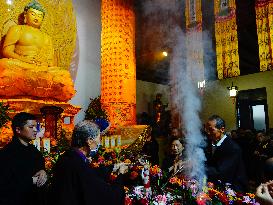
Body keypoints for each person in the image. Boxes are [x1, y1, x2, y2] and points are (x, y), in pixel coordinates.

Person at [0, 0, 75, 102]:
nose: (36, 17)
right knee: (4, 63)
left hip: (40, 69)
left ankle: (33, 83)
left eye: (40, 15)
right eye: (33, 14)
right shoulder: (17, 29)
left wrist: (45, 63)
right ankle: (39, 85)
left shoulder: (47, 37)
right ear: (25, 16)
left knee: (63, 74)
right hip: (21, 65)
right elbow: (6, 51)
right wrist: (25, 60)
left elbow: (51, 62)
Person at [50, 120, 128, 205]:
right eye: (99, 138)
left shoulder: (68, 156)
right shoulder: (79, 165)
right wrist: (120, 175)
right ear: (89, 141)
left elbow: (91, 174)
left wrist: (113, 167)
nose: (100, 142)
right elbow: (106, 196)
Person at [0, 112, 47, 205]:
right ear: (18, 129)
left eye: (35, 126)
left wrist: (43, 171)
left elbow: (40, 164)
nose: (35, 130)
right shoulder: (7, 153)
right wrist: (31, 181)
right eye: (31, 127)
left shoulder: (34, 150)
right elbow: (6, 185)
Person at [205, 115, 248, 192]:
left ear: (222, 129)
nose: (208, 132)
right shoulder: (210, 142)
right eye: (207, 129)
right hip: (215, 184)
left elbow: (221, 171)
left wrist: (199, 168)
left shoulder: (232, 148)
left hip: (232, 188)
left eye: (211, 130)